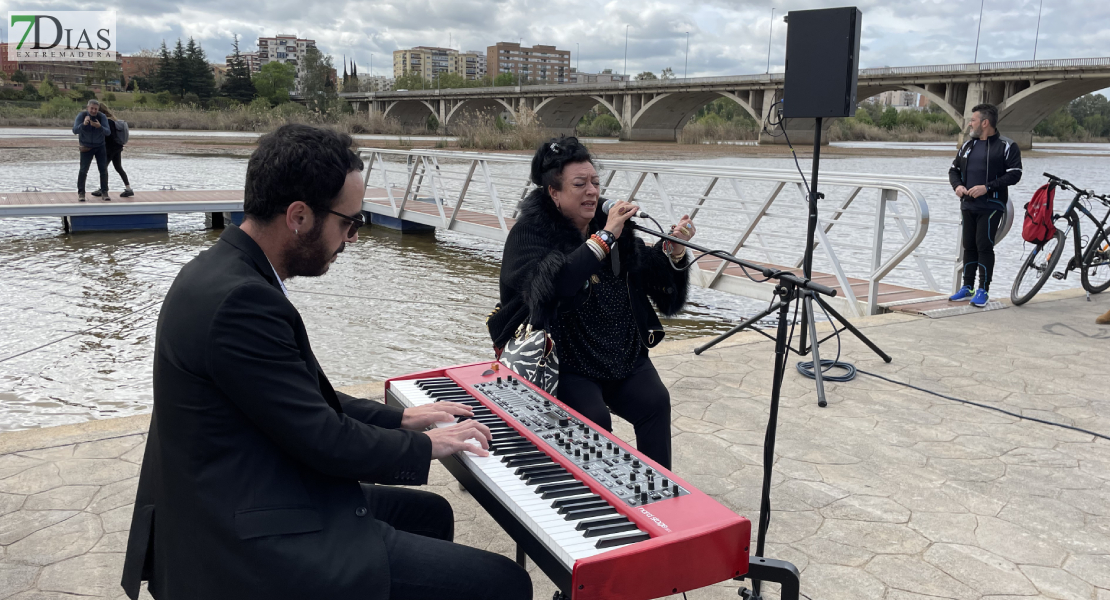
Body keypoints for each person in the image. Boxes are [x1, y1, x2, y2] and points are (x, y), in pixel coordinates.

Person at [121, 124, 532, 600]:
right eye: (349, 222)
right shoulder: (240, 302)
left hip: (237, 495)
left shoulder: (223, 271)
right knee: (505, 583)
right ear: (298, 216)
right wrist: (426, 447)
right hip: (239, 542)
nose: (353, 238)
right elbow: (324, 440)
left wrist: (402, 417)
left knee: (430, 514)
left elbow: (297, 398)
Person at [487, 136, 694, 470]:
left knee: (655, 401)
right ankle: (598, 500)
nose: (592, 191)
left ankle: (660, 491)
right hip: (564, 360)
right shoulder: (530, 233)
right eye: (580, 184)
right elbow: (557, 285)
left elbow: (652, 280)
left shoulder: (613, 228)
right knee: (593, 419)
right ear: (553, 193)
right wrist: (606, 236)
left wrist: (675, 250)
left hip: (620, 351)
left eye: (596, 183)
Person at [947, 103, 1023, 307]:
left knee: (984, 246)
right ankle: (967, 287)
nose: (970, 124)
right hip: (968, 205)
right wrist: (958, 186)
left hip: (991, 205)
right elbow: (953, 170)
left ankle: (983, 290)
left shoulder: (1007, 146)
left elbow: (1015, 174)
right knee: (968, 246)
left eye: (973, 120)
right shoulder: (967, 145)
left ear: (985, 122)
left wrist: (987, 187)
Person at [72, 99, 110, 202]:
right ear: (88, 108)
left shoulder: (102, 117)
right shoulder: (82, 115)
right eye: (92, 108)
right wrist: (84, 124)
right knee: (83, 170)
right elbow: (75, 130)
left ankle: (104, 192)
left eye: (95, 109)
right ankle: (81, 193)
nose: (93, 111)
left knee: (103, 170)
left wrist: (100, 127)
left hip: (100, 146)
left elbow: (108, 132)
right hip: (86, 146)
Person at [96, 105, 134, 197]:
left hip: (110, 149)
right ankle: (128, 189)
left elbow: (109, 136)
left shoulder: (107, 122)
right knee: (118, 168)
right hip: (117, 148)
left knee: (103, 168)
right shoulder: (112, 120)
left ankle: (103, 189)